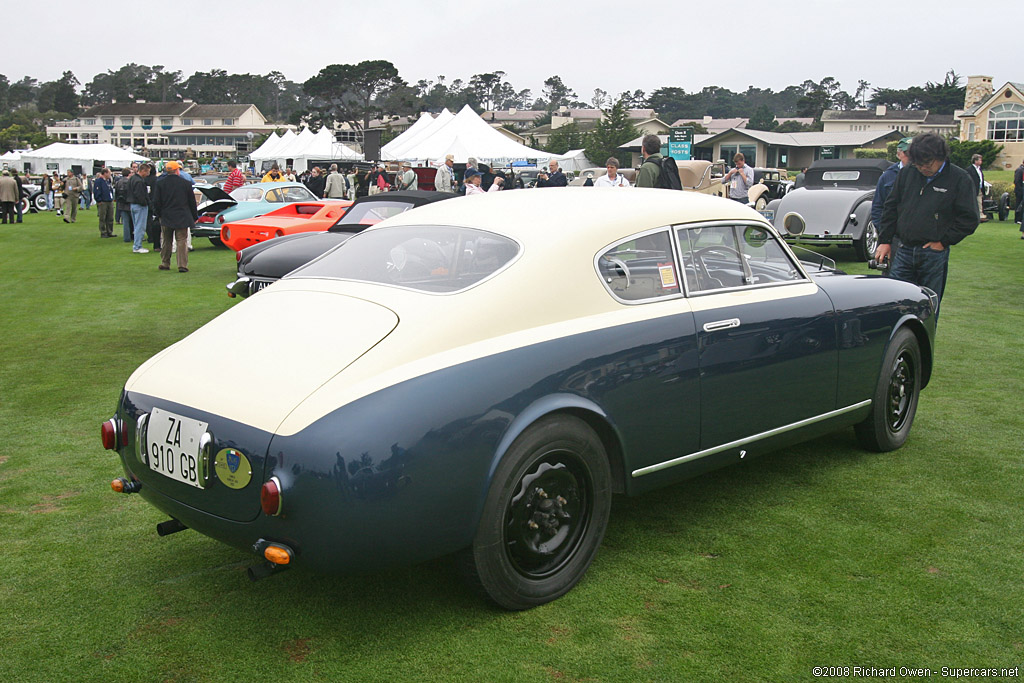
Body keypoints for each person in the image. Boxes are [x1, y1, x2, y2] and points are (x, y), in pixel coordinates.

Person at [876, 132, 979, 318]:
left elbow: (969, 219)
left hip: (933, 254)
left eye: (927, 163)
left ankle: (924, 345)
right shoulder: (908, 172)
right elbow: (891, 207)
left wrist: (944, 241)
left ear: (941, 157)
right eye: (917, 163)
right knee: (895, 304)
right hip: (904, 250)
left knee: (927, 308)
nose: (922, 168)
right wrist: (885, 240)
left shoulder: (959, 179)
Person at [151, 161, 198, 273]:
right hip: (182, 215)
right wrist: (194, 216)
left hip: (166, 215)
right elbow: (192, 202)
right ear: (177, 170)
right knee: (182, 240)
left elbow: (156, 201)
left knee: (166, 240)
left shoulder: (160, 183)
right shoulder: (186, 183)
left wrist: (159, 214)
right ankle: (182, 265)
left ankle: (165, 262)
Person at [871, 137, 912, 229]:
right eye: (908, 153)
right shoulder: (888, 176)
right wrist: (884, 231)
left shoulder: (926, 174)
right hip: (894, 234)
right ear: (899, 154)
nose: (912, 157)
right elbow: (878, 206)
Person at [126, 163, 151, 254]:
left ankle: (137, 245)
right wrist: (146, 203)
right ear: (143, 171)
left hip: (132, 204)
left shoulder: (132, 178)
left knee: (137, 226)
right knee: (140, 226)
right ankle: (137, 246)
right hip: (140, 206)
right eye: (147, 172)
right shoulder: (139, 181)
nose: (148, 174)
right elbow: (140, 195)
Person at [93, 167, 115, 238]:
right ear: (105, 173)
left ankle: (110, 231)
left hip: (109, 200)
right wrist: (98, 200)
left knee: (110, 217)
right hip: (103, 201)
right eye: (109, 173)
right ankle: (103, 232)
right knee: (103, 217)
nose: (110, 175)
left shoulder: (108, 181)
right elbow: (96, 191)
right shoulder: (98, 181)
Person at [115, 168, 133, 242]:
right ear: (129, 174)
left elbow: (116, 193)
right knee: (132, 222)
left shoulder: (118, 182)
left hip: (121, 204)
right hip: (129, 203)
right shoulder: (130, 182)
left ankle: (126, 237)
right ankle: (132, 236)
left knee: (125, 222)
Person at [967, 153, 987, 223]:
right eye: (979, 160)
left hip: (980, 188)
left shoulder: (979, 169)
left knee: (979, 201)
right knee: (974, 202)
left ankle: (981, 215)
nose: (981, 161)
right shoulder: (970, 169)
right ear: (975, 161)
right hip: (973, 188)